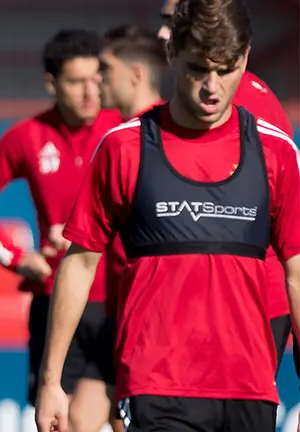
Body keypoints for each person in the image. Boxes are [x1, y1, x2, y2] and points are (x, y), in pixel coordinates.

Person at [36, 0, 300, 430]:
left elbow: (296, 272)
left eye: (227, 70)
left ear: (246, 57)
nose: (212, 87)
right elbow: (80, 264)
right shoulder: (124, 147)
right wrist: (51, 381)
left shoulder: (275, 150)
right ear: (172, 53)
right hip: (156, 384)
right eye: (198, 69)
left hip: (250, 387)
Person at [0, 29, 123, 432]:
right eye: (77, 81)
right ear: (52, 83)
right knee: (60, 423)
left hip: (121, 300)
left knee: (129, 421)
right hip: (57, 302)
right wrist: (15, 258)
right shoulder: (28, 135)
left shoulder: (124, 128)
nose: (90, 92)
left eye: (96, 79)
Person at [157, 0, 296, 373]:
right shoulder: (184, 102)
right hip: (201, 302)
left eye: (171, 20)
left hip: (252, 299)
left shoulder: (240, 100)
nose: (161, 32)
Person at [97, 23, 167, 432]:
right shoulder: (116, 137)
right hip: (116, 310)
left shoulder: (160, 140)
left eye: (106, 69)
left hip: (150, 320)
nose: (97, 79)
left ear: (137, 74)